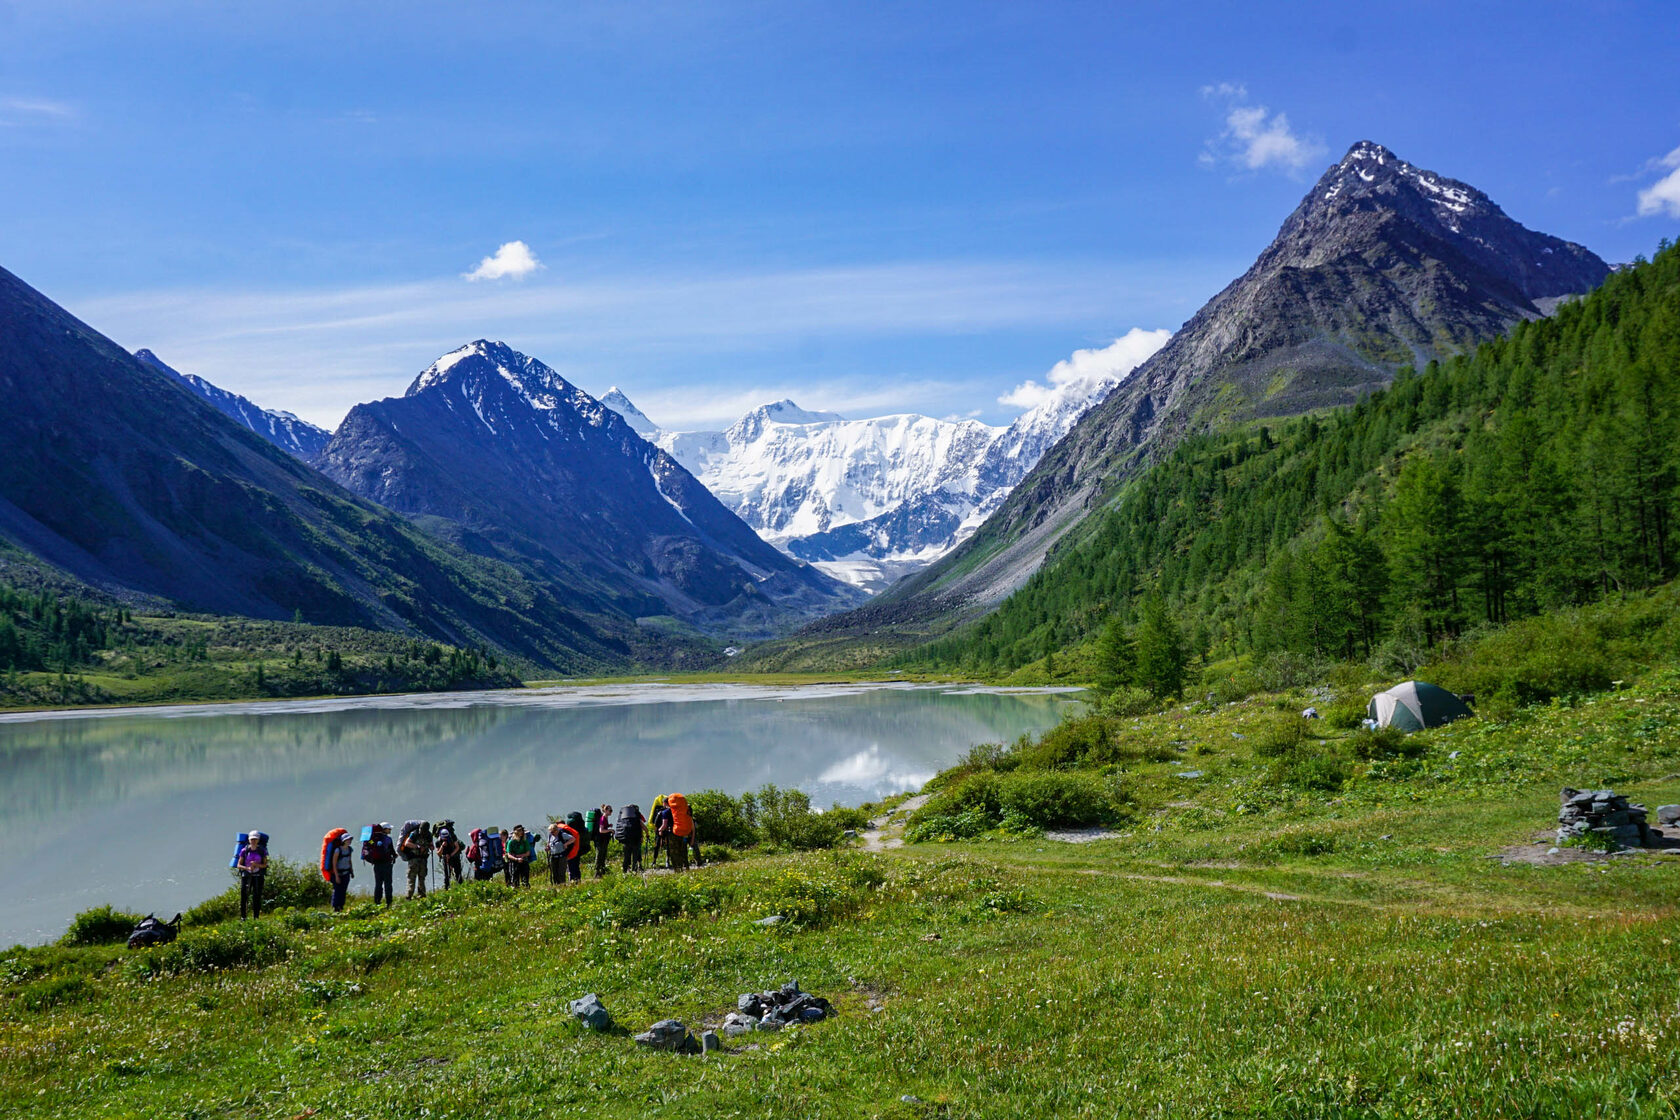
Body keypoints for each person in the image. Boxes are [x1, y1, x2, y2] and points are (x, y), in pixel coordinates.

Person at [362, 822, 396, 907]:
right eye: (389, 829)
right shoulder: (388, 839)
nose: (390, 830)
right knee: (388, 883)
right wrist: (394, 856)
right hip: (387, 864)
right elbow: (392, 851)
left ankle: (377, 902)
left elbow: (370, 845)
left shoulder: (372, 839)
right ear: (384, 829)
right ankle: (389, 902)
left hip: (377, 864)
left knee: (378, 883)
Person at [237, 827, 267, 919]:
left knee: (257, 897)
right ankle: (243, 917)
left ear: (258, 840)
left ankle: (256, 917)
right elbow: (239, 865)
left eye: (255, 839)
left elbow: (265, 865)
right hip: (246, 876)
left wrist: (257, 865)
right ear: (249, 840)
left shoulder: (262, 851)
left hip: (258, 876)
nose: (253, 841)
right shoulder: (244, 851)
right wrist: (247, 868)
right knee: (244, 897)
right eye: (252, 839)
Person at [399, 820, 432, 899]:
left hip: (423, 858)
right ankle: (409, 895)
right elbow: (407, 843)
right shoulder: (414, 833)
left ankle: (421, 895)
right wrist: (418, 847)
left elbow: (431, 844)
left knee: (422, 877)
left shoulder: (428, 835)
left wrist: (431, 847)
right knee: (412, 877)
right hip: (413, 858)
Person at [326, 828, 354, 912]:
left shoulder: (349, 849)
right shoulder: (337, 850)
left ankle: (341, 907)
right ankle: (336, 908)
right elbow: (334, 863)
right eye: (347, 840)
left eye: (349, 839)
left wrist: (351, 871)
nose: (349, 841)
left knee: (343, 890)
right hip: (338, 874)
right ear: (343, 841)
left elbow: (349, 860)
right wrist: (337, 876)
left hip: (346, 873)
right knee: (338, 891)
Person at [666, 792, 693, 872]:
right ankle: (686, 868)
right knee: (683, 851)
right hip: (684, 832)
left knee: (674, 852)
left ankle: (677, 870)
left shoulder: (667, 812)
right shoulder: (685, 809)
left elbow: (664, 824)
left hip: (673, 833)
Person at [615, 803, 646, 873]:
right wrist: (646, 834)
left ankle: (625, 871)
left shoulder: (623, 818)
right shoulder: (636, 817)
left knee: (626, 856)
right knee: (635, 855)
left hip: (625, 839)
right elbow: (644, 827)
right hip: (635, 839)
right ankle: (634, 870)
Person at [435, 820, 464, 888]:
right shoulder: (438, 842)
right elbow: (438, 853)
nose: (445, 839)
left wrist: (451, 855)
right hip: (445, 858)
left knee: (458, 873)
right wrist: (442, 846)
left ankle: (461, 886)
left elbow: (457, 847)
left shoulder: (453, 837)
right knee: (447, 875)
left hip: (455, 856)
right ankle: (447, 888)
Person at [545, 820, 574, 885]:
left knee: (561, 872)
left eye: (553, 832)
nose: (551, 833)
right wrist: (547, 848)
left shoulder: (562, 835)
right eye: (550, 832)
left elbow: (573, 838)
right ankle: (556, 885)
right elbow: (549, 844)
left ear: (556, 830)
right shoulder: (550, 836)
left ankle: (562, 885)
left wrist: (566, 844)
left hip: (562, 856)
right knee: (554, 872)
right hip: (553, 856)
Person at [505, 824, 534, 888]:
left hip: (524, 861)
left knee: (525, 878)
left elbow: (528, 853)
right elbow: (509, 854)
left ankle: (526, 888)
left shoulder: (525, 841)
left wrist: (520, 856)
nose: (522, 832)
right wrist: (517, 859)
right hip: (514, 862)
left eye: (522, 831)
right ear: (516, 832)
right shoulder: (511, 842)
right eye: (520, 831)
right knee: (515, 878)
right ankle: (516, 888)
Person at [591, 803, 613, 878]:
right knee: (600, 855)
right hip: (600, 840)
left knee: (602, 855)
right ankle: (597, 872)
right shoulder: (603, 818)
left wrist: (608, 826)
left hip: (603, 840)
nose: (611, 812)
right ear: (605, 810)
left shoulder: (605, 818)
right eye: (610, 810)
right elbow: (601, 830)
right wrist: (610, 830)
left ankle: (601, 871)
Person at [650, 796, 672, 869]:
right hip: (669, 830)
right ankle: (667, 860)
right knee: (668, 846)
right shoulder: (671, 811)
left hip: (660, 830)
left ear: (664, 803)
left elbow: (656, 823)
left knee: (657, 846)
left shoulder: (660, 812)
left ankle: (654, 861)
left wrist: (658, 831)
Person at [564, 811, 587, 882]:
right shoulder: (582, 827)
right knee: (576, 865)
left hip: (571, 850)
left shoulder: (569, 829)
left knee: (571, 865)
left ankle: (572, 879)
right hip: (579, 849)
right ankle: (577, 879)